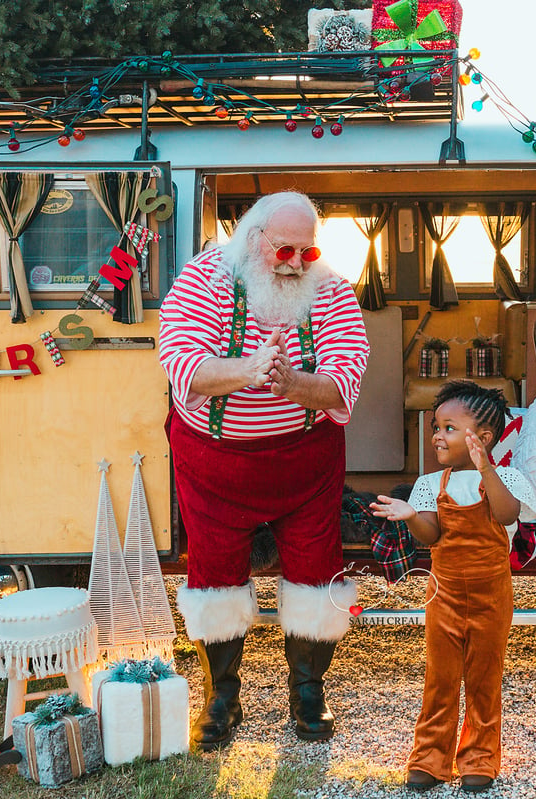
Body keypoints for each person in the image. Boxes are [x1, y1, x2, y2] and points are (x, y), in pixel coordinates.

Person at [158, 191, 368, 750]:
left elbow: (347, 373)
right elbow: (183, 364)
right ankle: (222, 697)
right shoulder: (201, 280)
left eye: (308, 249)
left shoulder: (331, 287)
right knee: (214, 574)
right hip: (213, 464)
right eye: (285, 251)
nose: (299, 262)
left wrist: (294, 384)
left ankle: (308, 692)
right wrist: (249, 369)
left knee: (317, 572)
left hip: (305, 463)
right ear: (254, 241)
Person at [370, 380, 536, 794]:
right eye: (435, 427)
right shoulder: (430, 482)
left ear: (482, 438)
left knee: (484, 678)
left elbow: (504, 515)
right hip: (443, 598)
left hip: (491, 599)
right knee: (440, 678)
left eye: (448, 427)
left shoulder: (507, 479)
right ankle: (430, 757)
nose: (436, 436)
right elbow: (431, 536)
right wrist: (410, 514)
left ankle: (480, 757)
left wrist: (487, 469)